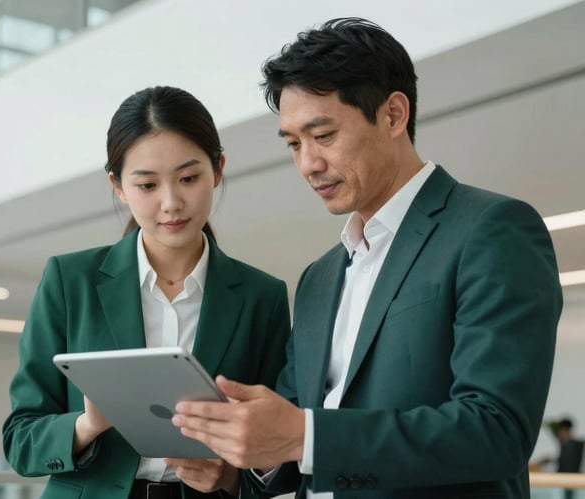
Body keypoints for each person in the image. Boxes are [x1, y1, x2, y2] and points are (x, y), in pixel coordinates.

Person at [172, 18, 563, 498]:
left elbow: (497, 430)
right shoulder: (318, 278)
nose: (308, 164)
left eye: (323, 135)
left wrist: (303, 434)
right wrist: (244, 459)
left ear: (394, 115)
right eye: (294, 144)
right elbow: (299, 444)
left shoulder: (491, 230)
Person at [2, 86, 292, 499]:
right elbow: (20, 440)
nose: (171, 203)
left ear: (218, 169)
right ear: (118, 186)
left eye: (188, 179)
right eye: (147, 185)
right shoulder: (69, 281)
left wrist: (228, 477)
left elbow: (281, 449)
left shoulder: (262, 298)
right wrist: (87, 424)